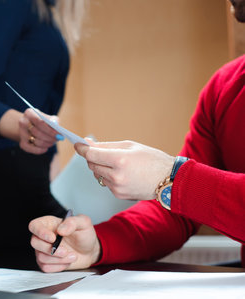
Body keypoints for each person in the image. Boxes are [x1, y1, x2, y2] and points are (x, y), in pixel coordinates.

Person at [28, 0, 245, 272]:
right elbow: (178, 212)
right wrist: (98, 244)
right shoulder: (224, 87)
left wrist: (172, 176)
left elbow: (180, 189)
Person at [0, 0, 86, 247]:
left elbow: (46, 118)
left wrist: (53, 175)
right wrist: (24, 127)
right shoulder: (14, 3)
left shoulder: (50, 15)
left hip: (35, 174)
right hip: (4, 180)